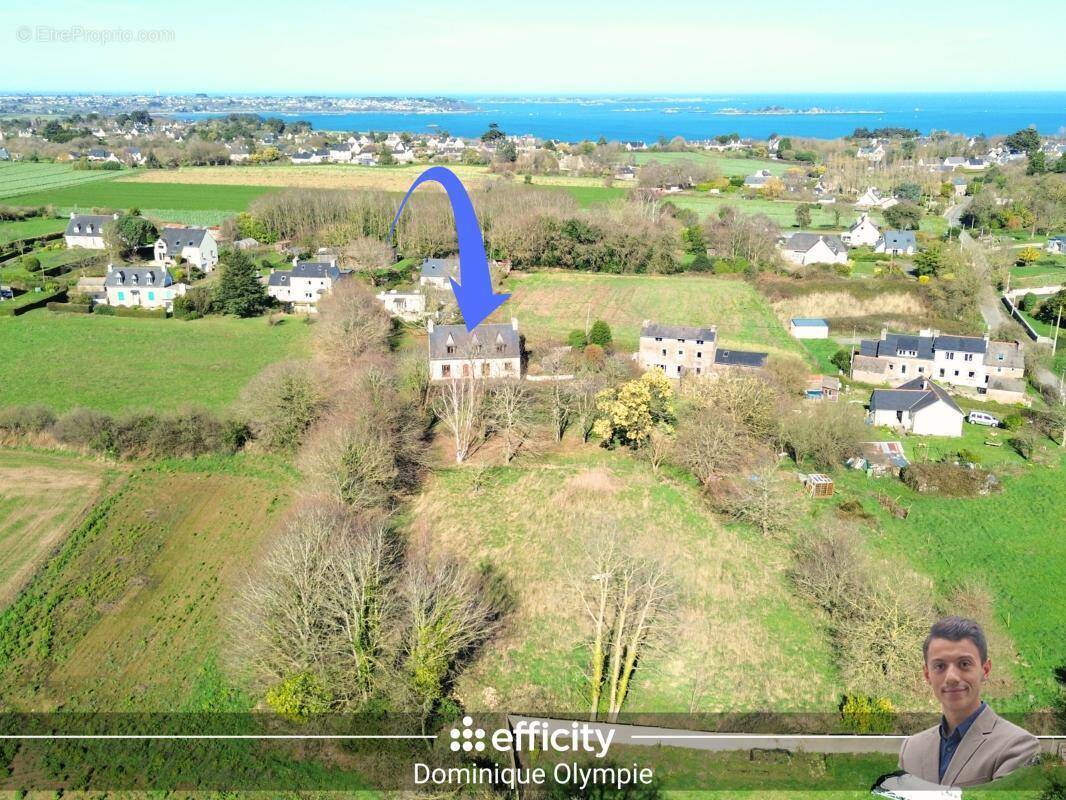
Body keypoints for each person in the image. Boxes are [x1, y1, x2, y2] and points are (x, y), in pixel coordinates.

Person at [898, 616, 1039, 787]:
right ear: (927, 674)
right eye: (940, 666)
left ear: (985, 670)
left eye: (964, 664)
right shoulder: (911, 750)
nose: (951, 677)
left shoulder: (1019, 747)